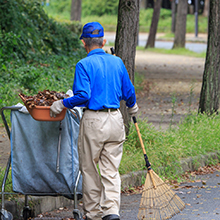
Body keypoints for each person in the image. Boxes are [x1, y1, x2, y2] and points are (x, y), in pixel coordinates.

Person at [50, 22, 138, 220]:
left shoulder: (83, 65)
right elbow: (129, 92)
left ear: (84, 43)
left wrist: (62, 103)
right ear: (104, 41)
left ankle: (94, 214)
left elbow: (83, 95)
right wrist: (132, 106)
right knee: (111, 170)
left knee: (89, 168)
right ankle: (112, 211)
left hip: (93, 121)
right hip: (116, 119)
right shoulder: (118, 62)